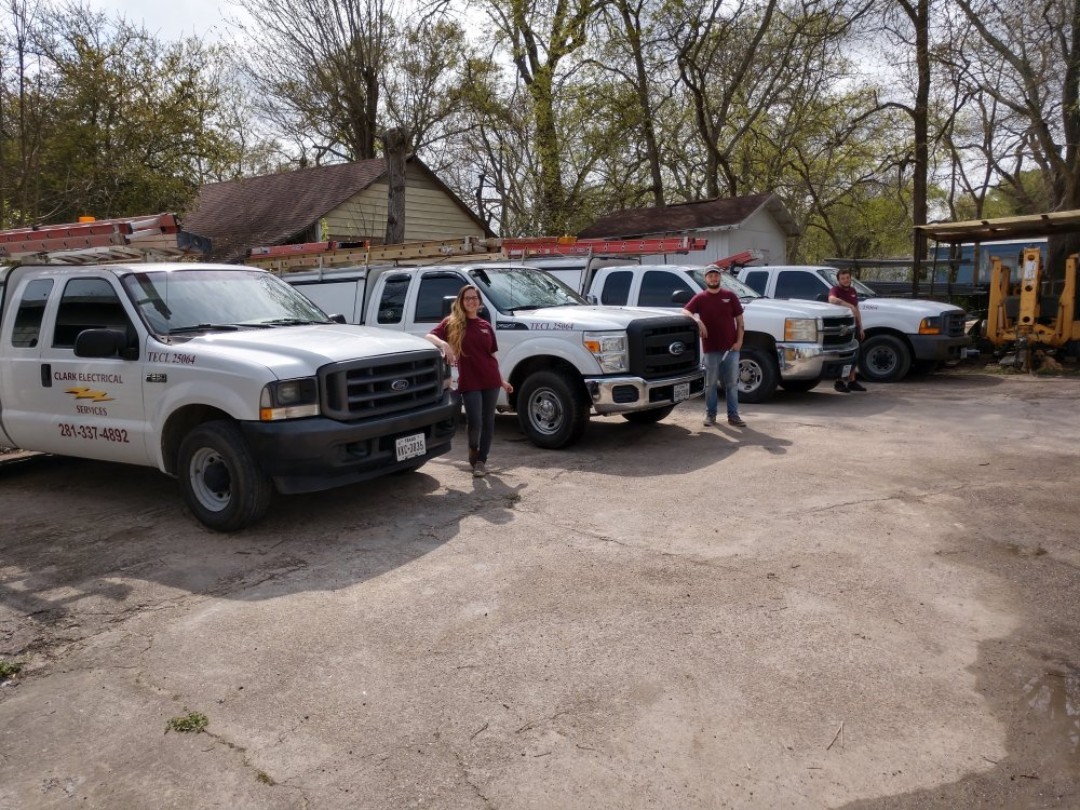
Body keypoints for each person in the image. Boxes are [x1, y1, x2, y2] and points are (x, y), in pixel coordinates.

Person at [425, 285, 513, 477]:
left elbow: (492, 356)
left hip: (490, 379)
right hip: (470, 381)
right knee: (475, 421)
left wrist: (502, 381)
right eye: (467, 298)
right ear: (461, 301)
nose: (471, 301)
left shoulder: (486, 326)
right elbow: (429, 336)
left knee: (488, 421)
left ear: (479, 302)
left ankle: (481, 461)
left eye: (474, 298)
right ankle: (473, 449)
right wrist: (444, 344)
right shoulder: (453, 323)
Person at [682, 267, 746, 427]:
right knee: (710, 384)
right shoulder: (700, 298)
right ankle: (711, 415)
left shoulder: (730, 296)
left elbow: (740, 322)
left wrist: (739, 342)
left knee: (731, 384)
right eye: (710, 276)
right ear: (706, 278)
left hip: (730, 349)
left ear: (720, 278)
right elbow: (684, 311)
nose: (713, 278)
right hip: (711, 349)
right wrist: (696, 320)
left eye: (716, 275)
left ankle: (734, 416)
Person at [828, 269, 867, 392]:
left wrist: (860, 327)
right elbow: (832, 300)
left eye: (847, 278)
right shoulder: (835, 290)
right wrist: (848, 305)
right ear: (839, 280)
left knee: (856, 354)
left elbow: (857, 309)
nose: (845, 280)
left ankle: (852, 381)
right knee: (843, 355)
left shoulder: (853, 291)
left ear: (850, 278)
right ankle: (839, 382)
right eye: (843, 278)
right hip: (841, 329)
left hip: (853, 327)